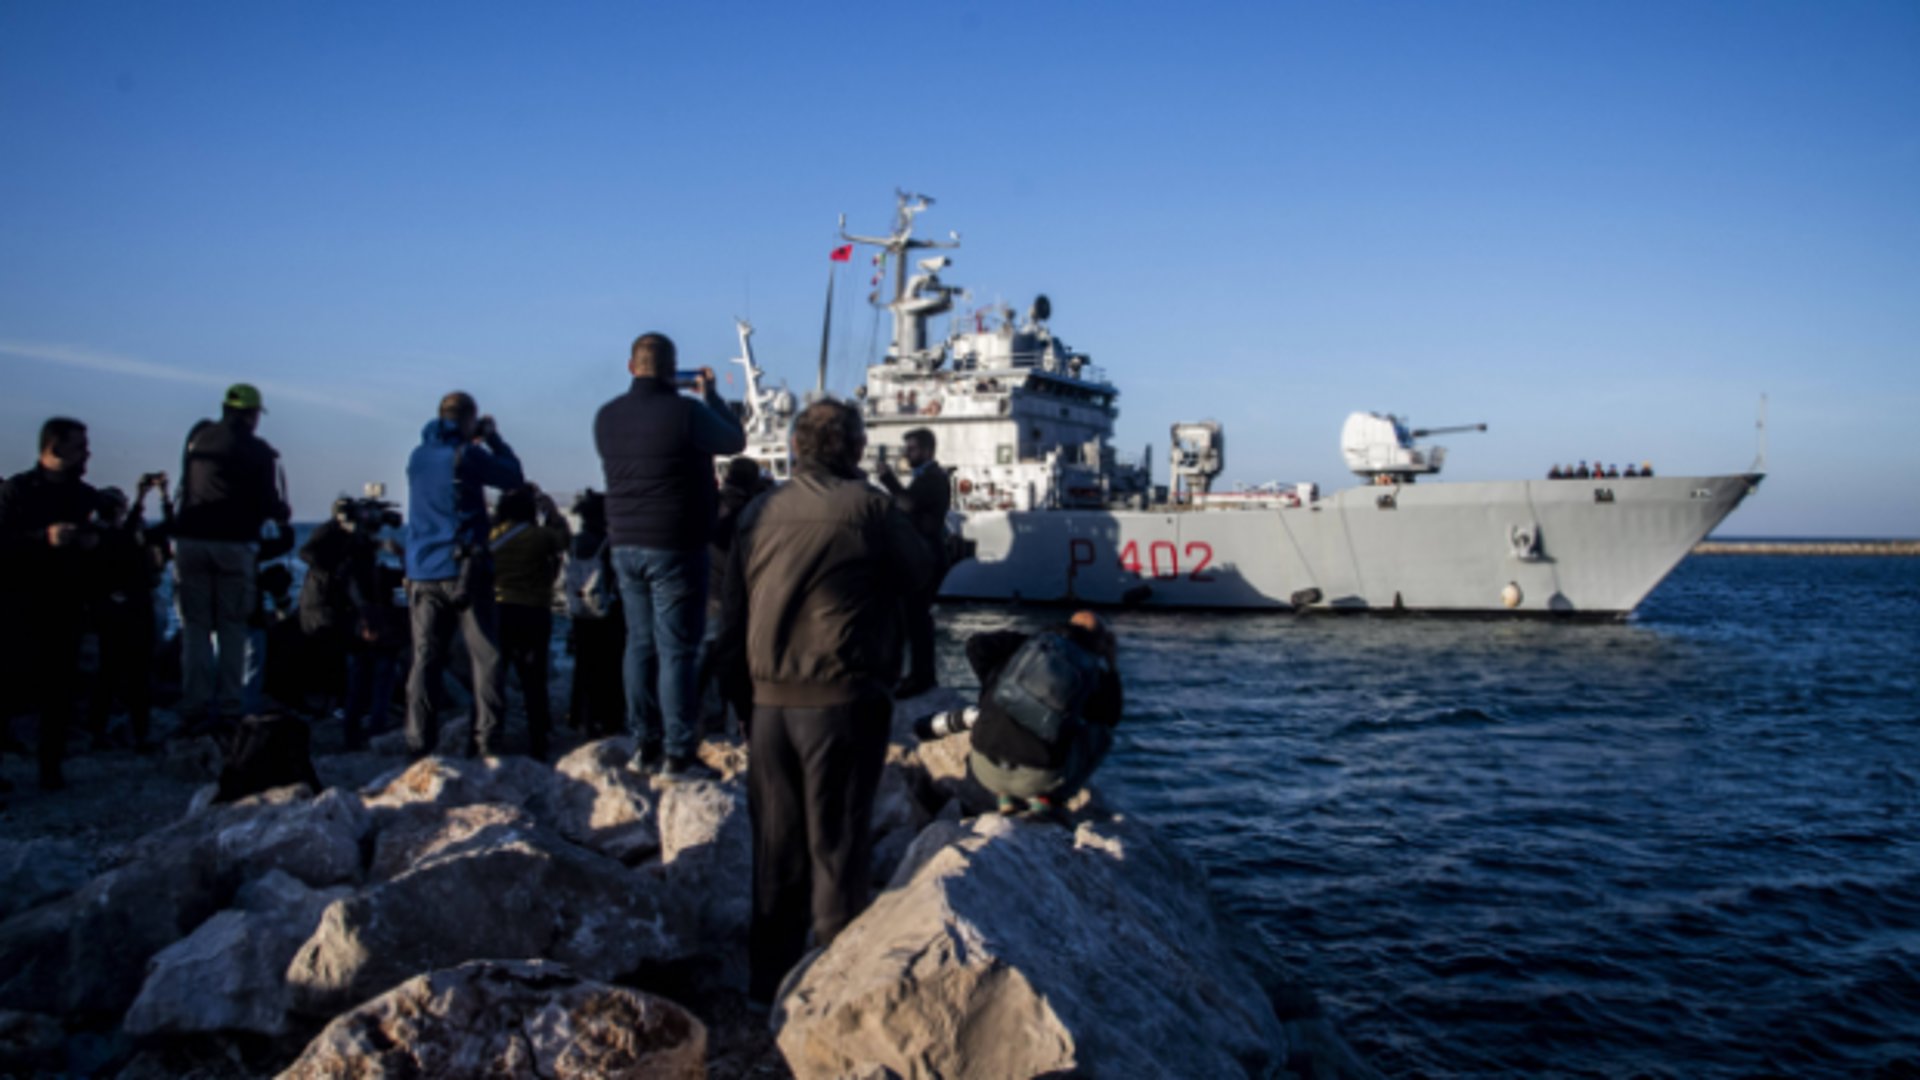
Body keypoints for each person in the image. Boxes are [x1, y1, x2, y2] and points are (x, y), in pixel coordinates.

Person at [716, 399, 936, 1003]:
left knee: (774, 849)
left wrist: (740, 700)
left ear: (794, 448)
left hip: (767, 705)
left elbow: (732, 617)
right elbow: (922, 573)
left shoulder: (758, 510)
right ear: (856, 448)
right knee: (837, 848)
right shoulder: (869, 507)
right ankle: (835, 996)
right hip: (841, 697)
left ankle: (769, 987)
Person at [593, 332, 745, 780]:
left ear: (630, 366)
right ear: (672, 370)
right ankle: (679, 752)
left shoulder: (606, 416)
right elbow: (734, 441)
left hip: (624, 541)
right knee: (677, 648)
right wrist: (711, 396)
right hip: (675, 542)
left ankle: (644, 743)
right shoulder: (686, 412)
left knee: (639, 645)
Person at [404, 392, 523, 758]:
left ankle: (419, 743)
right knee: (485, 656)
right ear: (469, 420)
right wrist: (492, 439)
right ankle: (487, 742)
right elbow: (512, 477)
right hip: (464, 570)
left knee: (425, 659)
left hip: (422, 569)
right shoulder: (467, 455)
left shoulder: (417, 456)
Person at [172, 383, 291, 726]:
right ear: (253, 416)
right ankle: (228, 704)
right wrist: (282, 512)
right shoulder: (257, 451)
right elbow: (270, 504)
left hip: (190, 538)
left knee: (194, 627)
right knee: (231, 626)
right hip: (232, 543)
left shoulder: (199, 437)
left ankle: (193, 703)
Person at [0, 418, 102, 789]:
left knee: (59, 689)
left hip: (67, 603)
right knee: (8, 686)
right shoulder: (17, 492)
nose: (87, 454)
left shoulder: (84, 497)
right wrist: (42, 538)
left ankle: (51, 767)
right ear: (55, 449)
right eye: (80, 447)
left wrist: (93, 543)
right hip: (20, 603)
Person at [954, 611, 1124, 819]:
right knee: (1102, 736)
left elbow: (976, 645)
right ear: (1100, 641)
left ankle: (1004, 796)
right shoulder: (1091, 671)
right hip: (1038, 779)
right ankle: (1050, 799)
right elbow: (1111, 717)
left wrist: (991, 689)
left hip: (983, 768)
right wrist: (1112, 666)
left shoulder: (1029, 645)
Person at [490, 484, 570, 760]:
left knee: (495, 676)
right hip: (534, 611)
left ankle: (491, 737)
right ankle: (539, 737)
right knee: (533, 679)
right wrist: (551, 510)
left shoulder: (492, 535)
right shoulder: (539, 536)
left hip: (498, 610)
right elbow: (564, 539)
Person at [88, 483, 166, 751]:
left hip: (113, 610)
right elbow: (130, 539)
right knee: (136, 676)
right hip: (132, 609)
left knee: (110, 674)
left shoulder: (97, 538)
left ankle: (101, 730)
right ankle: (138, 733)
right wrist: (146, 498)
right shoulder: (119, 537)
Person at [875, 427, 951, 698]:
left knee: (916, 617)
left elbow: (908, 505)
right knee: (914, 617)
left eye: (913, 449)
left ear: (928, 451)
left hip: (926, 556)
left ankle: (921, 677)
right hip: (924, 554)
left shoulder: (932, 478)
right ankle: (918, 675)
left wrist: (888, 480)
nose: (908, 454)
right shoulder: (929, 477)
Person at [700, 457, 770, 737]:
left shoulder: (712, 505)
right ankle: (745, 720)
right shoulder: (757, 509)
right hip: (746, 593)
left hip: (711, 591)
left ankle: (711, 719)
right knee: (742, 659)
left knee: (708, 659)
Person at [564, 489, 627, 738]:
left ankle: (582, 716)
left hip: (582, 611)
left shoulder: (578, 541)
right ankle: (610, 717)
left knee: (584, 666)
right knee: (611, 667)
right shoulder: (609, 542)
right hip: (608, 611)